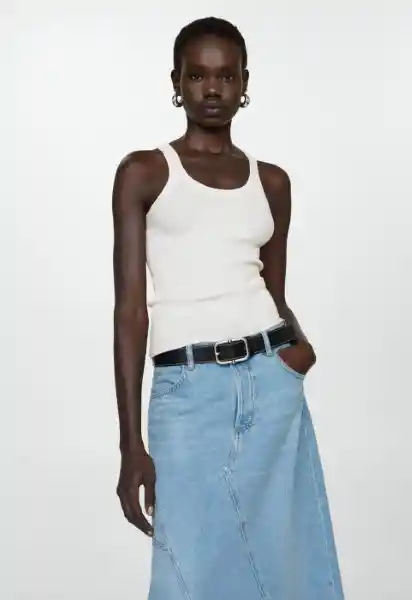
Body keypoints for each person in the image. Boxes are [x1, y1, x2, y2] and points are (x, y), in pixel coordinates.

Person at [112, 16, 345, 600]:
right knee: (188, 572)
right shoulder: (144, 173)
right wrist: (131, 445)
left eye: (225, 75)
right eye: (197, 75)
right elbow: (131, 312)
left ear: (244, 83)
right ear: (176, 82)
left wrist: (298, 354)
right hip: (188, 392)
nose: (212, 88)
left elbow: (275, 289)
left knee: (289, 563)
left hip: (273, 385)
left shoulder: (273, 183)